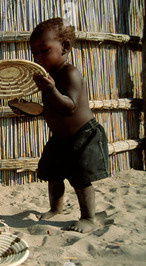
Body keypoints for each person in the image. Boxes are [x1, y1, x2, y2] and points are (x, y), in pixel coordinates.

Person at [29, 18, 109, 233]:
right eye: (34, 53)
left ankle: (89, 218)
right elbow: (51, 109)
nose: (38, 57)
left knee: (80, 178)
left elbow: (69, 107)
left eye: (44, 50)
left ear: (64, 47)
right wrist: (28, 109)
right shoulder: (49, 78)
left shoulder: (69, 73)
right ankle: (56, 208)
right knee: (53, 174)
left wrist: (51, 90)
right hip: (60, 138)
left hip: (83, 135)